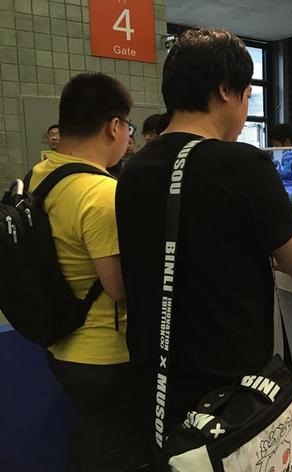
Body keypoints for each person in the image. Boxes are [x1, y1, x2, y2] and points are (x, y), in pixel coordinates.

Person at [116, 28, 292, 438]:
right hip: (226, 390)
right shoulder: (240, 163)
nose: (244, 112)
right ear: (225, 90)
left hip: (158, 375)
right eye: (247, 97)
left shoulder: (133, 170)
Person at [29, 73, 150, 471]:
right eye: (128, 127)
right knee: (119, 453)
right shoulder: (101, 194)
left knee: (93, 441)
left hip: (60, 343)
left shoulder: (40, 175)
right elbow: (119, 287)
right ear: (114, 126)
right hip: (105, 356)